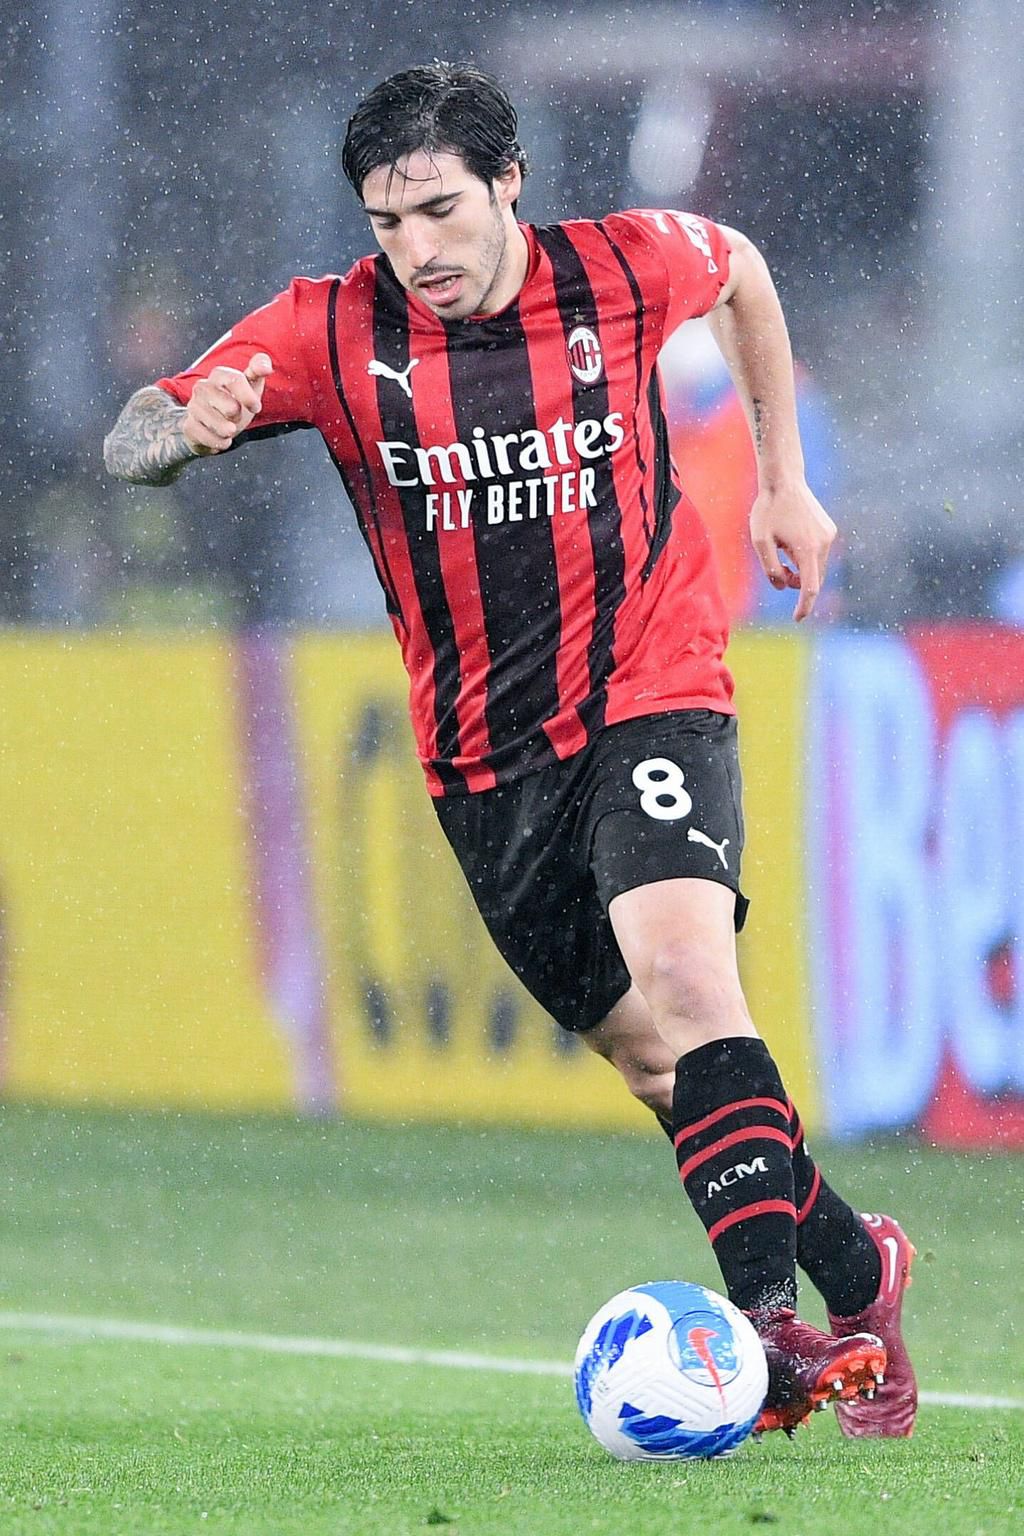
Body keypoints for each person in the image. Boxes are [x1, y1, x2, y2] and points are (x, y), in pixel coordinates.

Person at [104, 62, 916, 1438]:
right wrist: (182, 433)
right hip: (485, 764)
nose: (416, 250)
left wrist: (785, 480)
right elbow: (128, 436)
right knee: (662, 1069)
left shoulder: (624, 268)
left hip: (655, 688)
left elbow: (745, 274)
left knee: (688, 976)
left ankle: (759, 1337)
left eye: (438, 209)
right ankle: (858, 1265)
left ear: (509, 185)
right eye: (385, 223)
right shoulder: (327, 334)